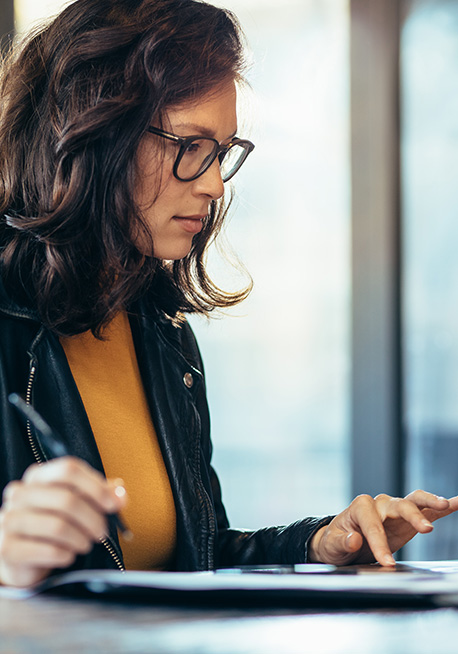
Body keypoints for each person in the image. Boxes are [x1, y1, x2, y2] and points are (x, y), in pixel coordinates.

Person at [0, 0, 456, 590]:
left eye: (221, 152)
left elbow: (197, 556)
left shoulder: (163, 336)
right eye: (191, 146)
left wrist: (321, 544)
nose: (215, 183)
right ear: (95, 134)